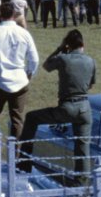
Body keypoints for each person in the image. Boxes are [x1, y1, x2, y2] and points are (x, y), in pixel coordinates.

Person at [24, 29, 96, 183]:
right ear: (83, 44)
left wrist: (59, 49)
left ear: (68, 45)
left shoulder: (63, 59)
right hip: (84, 108)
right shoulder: (90, 61)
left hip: (67, 106)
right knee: (83, 149)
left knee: (31, 118)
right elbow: (90, 85)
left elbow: (46, 65)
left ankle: (23, 163)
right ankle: (82, 182)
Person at [0, 2, 39, 165]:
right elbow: (34, 58)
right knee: (17, 120)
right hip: (19, 80)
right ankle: (16, 155)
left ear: (0, 15)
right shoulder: (24, 33)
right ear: (14, 14)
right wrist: (29, 74)